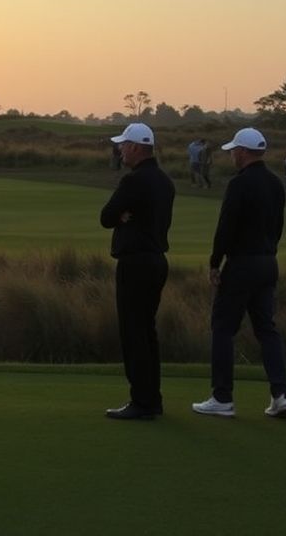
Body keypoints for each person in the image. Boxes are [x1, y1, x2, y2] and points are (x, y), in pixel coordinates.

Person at [193, 127, 286, 420]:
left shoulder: (239, 184)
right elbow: (278, 226)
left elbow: (226, 227)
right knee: (266, 329)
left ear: (244, 152)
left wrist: (215, 262)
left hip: (242, 264)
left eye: (234, 150)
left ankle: (222, 397)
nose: (232, 154)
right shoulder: (275, 183)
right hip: (267, 262)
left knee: (223, 328)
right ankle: (281, 393)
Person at [99, 123, 175, 420]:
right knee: (147, 332)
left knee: (133, 333)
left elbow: (105, 217)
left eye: (122, 145)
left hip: (135, 264)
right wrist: (123, 215)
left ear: (134, 147)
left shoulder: (133, 181)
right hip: (157, 261)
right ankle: (151, 399)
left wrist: (120, 215)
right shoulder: (165, 181)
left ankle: (141, 402)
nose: (119, 150)